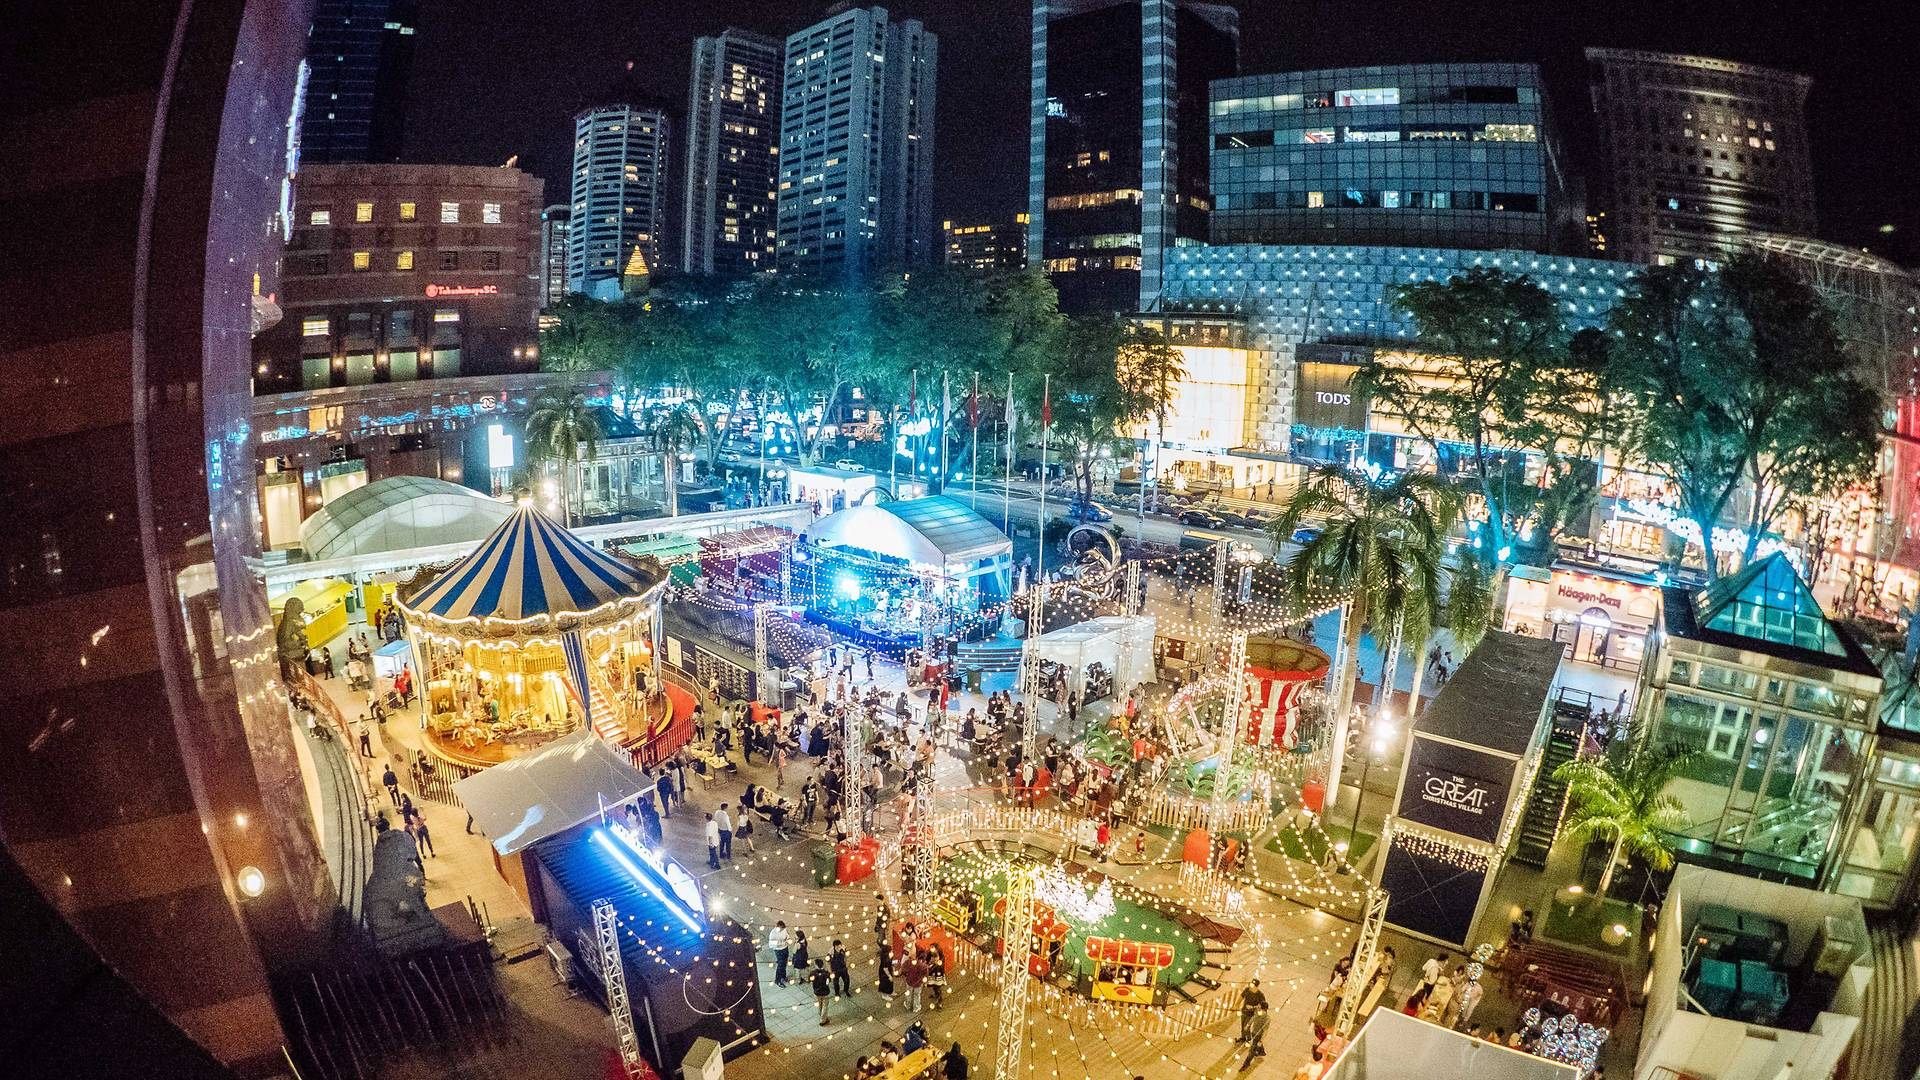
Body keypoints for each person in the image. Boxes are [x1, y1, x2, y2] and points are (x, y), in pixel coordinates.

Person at [1239, 1001, 1271, 1071]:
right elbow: (1253, 1018)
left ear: (1263, 1009)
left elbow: (1265, 1031)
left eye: (1259, 1006)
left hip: (1258, 1036)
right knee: (1257, 1045)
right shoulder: (1258, 1012)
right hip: (1253, 1032)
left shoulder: (1267, 1019)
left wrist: (1261, 1040)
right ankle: (1261, 1051)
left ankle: (1246, 1064)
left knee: (1251, 1051)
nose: (1257, 1007)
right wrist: (1248, 1025)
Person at [769, 921, 792, 987]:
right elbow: (771, 944)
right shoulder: (773, 933)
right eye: (781, 928)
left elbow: (787, 936)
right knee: (780, 965)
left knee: (784, 963)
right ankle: (777, 980)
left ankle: (783, 976)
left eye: (783, 928)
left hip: (785, 948)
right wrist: (780, 943)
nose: (782, 930)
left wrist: (788, 939)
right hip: (778, 950)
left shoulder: (784, 930)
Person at [811, 959, 833, 1025]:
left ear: (816, 965)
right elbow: (828, 981)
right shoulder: (826, 973)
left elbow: (810, 980)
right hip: (825, 992)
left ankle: (821, 1015)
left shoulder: (813, 973)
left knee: (819, 1005)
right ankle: (823, 1020)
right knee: (825, 1006)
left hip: (817, 992)